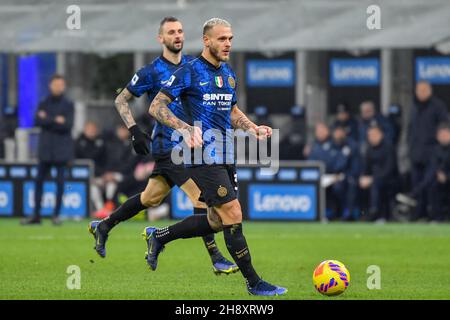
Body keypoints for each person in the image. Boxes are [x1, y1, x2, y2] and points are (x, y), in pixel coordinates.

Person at [144, 18, 287, 296]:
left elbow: (232, 112)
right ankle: (254, 283)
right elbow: (156, 106)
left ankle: (159, 237)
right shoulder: (189, 71)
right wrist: (184, 128)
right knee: (233, 213)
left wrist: (253, 128)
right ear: (207, 41)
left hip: (225, 154)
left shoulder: (229, 73)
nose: (228, 44)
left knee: (216, 220)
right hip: (201, 155)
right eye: (222, 39)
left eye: (231, 39)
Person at [88, 17, 237, 275]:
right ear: (161, 39)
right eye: (171, 32)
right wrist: (134, 130)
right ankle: (215, 257)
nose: (177, 36)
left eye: (180, 31)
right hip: (170, 146)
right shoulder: (151, 71)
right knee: (201, 198)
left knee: (151, 197)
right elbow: (121, 100)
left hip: (192, 146)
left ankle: (105, 225)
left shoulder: (194, 66)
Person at [21, 74, 74, 225]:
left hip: (61, 151)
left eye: (60, 84)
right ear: (50, 85)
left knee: (60, 183)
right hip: (45, 150)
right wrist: (56, 119)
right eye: (56, 84)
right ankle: (36, 216)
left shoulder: (68, 104)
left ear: (63, 86)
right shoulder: (43, 102)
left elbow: (67, 125)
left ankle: (56, 215)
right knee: (38, 182)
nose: (58, 87)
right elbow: (38, 121)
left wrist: (47, 119)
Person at [407, 81, 449, 221]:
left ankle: (434, 215)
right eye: (419, 90)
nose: (421, 92)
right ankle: (419, 214)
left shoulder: (438, 106)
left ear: (430, 90)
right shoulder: (414, 107)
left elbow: (444, 128)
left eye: (424, 89)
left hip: (432, 154)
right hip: (416, 154)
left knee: (429, 184)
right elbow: (410, 130)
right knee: (417, 184)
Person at [398, 122, 450, 222]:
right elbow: (434, 168)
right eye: (441, 134)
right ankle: (435, 217)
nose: (443, 137)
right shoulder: (435, 150)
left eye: (445, 134)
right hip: (437, 179)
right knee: (432, 182)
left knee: (430, 180)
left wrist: (447, 177)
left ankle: (414, 194)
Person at [359, 125, 398, 222]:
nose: (371, 137)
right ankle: (362, 213)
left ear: (381, 135)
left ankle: (375, 213)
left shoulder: (389, 148)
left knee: (376, 185)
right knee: (357, 184)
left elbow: (389, 169)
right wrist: (363, 177)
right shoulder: (369, 149)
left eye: (374, 134)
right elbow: (366, 168)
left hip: (389, 180)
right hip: (373, 179)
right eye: (369, 135)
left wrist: (372, 179)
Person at [327, 126, 360, 221]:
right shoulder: (330, 145)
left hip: (347, 175)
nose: (338, 134)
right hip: (332, 176)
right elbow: (328, 163)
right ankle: (329, 212)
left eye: (340, 132)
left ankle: (348, 212)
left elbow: (355, 165)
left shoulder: (352, 145)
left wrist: (344, 175)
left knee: (346, 186)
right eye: (336, 132)